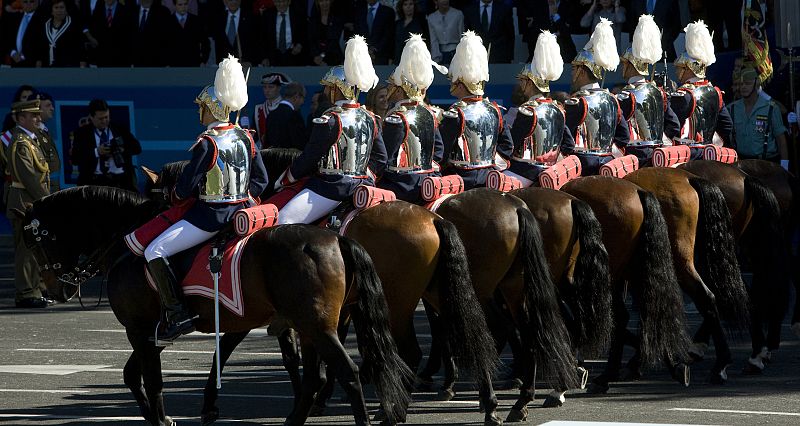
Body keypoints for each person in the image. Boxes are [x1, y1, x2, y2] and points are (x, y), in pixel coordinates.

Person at [143, 55, 269, 342]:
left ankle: (178, 313)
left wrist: (173, 195)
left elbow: (186, 188)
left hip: (211, 216)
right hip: (243, 209)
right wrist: (242, 196)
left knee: (155, 251)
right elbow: (261, 180)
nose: (199, 111)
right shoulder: (246, 137)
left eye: (202, 106)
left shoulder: (207, 142)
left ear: (212, 108)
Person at [275, 35, 386, 224]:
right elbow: (381, 158)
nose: (326, 92)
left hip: (332, 187)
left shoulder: (329, 119)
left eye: (329, 87)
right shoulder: (371, 118)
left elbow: (311, 156)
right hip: (364, 184)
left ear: (337, 89)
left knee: (282, 221)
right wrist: (364, 175)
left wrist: (287, 178)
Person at [439, 30, 513, 189]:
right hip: (490, 177)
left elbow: (443, 153)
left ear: (460, 83)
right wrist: (490, 165)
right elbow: (507, 146)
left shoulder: (455, 112)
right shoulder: (494, 109)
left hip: (461, 178)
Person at [379, 33, 447, 203]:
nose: (389, 88)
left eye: (392, 85)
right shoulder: (430, 114)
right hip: (428, 180)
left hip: (401, 184)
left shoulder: (397, 116)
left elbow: (385, 156)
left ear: (400, 90)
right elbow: (438, 151)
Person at [505, 30, 575, 187]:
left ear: (530, 83)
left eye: (523, 81)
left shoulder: (528, 110)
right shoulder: (558, 108)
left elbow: (512, 145)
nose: (521, 85)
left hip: (525, 171)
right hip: (551, 171)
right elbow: (568, 144)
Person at [566, 17, 630, 175]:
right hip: (608, 161)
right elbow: (624, 136)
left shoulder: (578, 101)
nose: (572, 73)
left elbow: (565, 140)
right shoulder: (612, 99)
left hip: (582, 165)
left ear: (581, 71)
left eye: (574, 69)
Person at [617, 14, 680, 164]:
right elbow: (674, 125)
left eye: (625, 63)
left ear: (631, 65)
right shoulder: (659, 92)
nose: (622, 67)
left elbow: (621, 133)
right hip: (658, 152)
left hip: (634, 155)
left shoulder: (625, 95)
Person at [5, 100, 50, 308]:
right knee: (25, 250)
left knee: (34, 250)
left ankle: (35, 289)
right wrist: (47, 201)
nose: (38, 119)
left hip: (31, 202)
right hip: (24, 203)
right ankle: (25, 293)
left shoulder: (31, 140)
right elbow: (29, 177)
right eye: (33, 116)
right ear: (21, 118)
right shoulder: (20, 142)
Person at [671, 20, 733, 154]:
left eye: (680, 68)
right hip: (711, 151)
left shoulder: (684, 94)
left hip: (689, 154)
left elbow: (672, 127)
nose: (676, 72)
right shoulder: (715, 92)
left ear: (689, 69)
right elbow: (727, 125)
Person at [71, 99, 142, 191]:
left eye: (107, 117)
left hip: (121, 181)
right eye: (100, 118)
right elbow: (75, 159)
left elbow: (137, 148)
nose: (104, 121)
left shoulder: (119, 129)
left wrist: (121, 149)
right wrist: (97, 152)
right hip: (94, 182)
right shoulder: (82, 133)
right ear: (91, 117)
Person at [727, 67, 789, 169]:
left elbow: (781, 139)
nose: (743, 87)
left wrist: (785, 166)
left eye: (747, 83)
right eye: (741, 84)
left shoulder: (771, 108)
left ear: (756, 85)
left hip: (766, 164)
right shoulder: (732, 108)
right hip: (742, 164)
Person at [34, 0, 87, 67]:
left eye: (62, 7)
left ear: (66, 10)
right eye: (56, 7)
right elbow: (41, 47)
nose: (59, 10)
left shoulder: (74, 25)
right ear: (52, 11)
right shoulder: (45, 25)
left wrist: (82, 66)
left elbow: (80, 47)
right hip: (47, 67)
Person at [87, 0, 135, 67]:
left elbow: (130, 36)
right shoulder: (98, 10)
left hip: (121, 60)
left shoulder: (126, 10)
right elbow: (94, 30)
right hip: (102, 59)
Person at [212, 0, 260, 66]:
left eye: (236, 0)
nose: (233, 2)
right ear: (225, 2)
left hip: (246, 64)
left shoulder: (251, 17)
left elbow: (257, 41)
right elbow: (218, 43)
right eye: (230, 0)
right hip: (225, 66)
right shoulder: (219, 18)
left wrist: (252, 62)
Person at [165, 0, 210, 67]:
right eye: (180, 5)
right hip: (173, 65)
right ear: (175, 5)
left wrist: (203, 61)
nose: (183, 7)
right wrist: (166, 63)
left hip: (193, 64)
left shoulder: (196, 21)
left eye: (185, 4)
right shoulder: (167, 22)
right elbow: (163, 45)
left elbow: (205, 43)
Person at [262, 0, 307, 66]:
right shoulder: (267, 14)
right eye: (278, 2)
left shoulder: (298, 13)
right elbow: (262, 37)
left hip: (294, 54)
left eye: (284, 1)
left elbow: (304, 33)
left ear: (289, 2)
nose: (281, 4)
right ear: (274, 2)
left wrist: (300, 44)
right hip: (273, 56)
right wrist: (264, 57)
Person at [264, 81, 308, 150]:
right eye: (303, 98)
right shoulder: (294, 116)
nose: (303, 102)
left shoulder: (271, 115)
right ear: (296, 97)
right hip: (289, 159)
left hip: (272, 159)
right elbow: (300, 144)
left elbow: (267, 142)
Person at [33, 92, 61, 192]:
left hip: (50, 186)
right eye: (48, 105)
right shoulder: (32, 132)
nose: (52, 108)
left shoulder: (44, 129)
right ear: (37, 108)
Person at [254, 72, 291, 146]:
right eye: (264, 87)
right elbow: (255, 135)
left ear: (279, 88)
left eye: (271, 87)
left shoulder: (286, 107)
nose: (267, 90)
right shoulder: (258, 109)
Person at [353, 0, 395, 65]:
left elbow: (389, 35)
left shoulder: (388, 11)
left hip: (381, 56)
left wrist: (375, 49)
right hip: (362, 56)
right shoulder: (359, 12)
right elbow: (357, 33)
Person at [130, 0, 171, 67]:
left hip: (156, 63)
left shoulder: (163, 12)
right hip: (135, 63)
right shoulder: (131, 11)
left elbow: (167, 40)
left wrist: (166, 62)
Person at [426, 0, 463, 65]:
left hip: (456, 52)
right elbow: (433, 40)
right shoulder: (431, 18)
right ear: (435, 1)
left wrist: (462, 55)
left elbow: (462, 36)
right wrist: (436, 59)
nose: (445, 1)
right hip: (441, 54)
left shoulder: (458, 14)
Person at [308, 0, 344, 66]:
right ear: (317, 3)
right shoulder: (312, 20)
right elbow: (311, 40)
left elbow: (333, 41)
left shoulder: (337, 19)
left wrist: (322, 56)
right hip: (316, 56)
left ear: (331, 2)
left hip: (332, 54)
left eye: (327, 0)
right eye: (321, 1)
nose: (324, 3)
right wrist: (316, 55)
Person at [393, 0, 428, 64]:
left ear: (414, 6)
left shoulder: (421, 22)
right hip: (399, 59)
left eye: (411, 4)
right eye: (405, 4)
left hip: (416, 59)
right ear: (402, 7)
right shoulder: (397, 24)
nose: (408, 7)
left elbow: (426, 41)